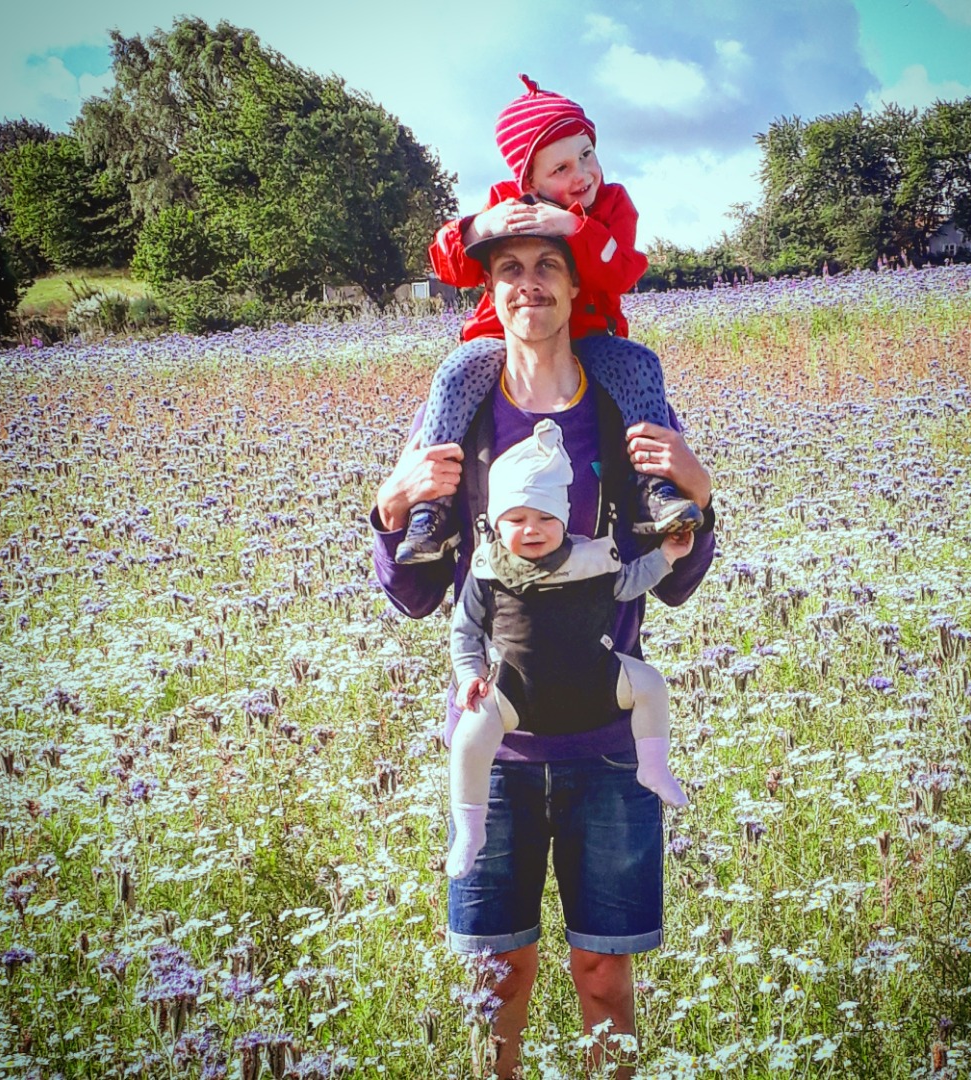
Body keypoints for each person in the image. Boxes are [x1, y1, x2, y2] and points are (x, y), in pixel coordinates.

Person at [372, 226, 714, 1078]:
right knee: (498, 977)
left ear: (575, 286)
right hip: (500, 749)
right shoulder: (462, 407)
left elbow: (674, 580)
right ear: (489, 293)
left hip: (608, 747)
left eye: (548, 267)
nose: (529, 284)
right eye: (510, 270)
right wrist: (390, 511)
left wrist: (701, 496)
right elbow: (415, 593)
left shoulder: (623, 400)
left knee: (604, 974)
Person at [395, 73, 702, 566]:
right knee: (454, 373)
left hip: (593, 338)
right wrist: (478, 227)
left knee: (640, 363)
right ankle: (431, 511)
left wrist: (575, 227)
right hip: (497, 341)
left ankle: (654, 489)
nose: (582, 175)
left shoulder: (611, 206)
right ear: (530, 182)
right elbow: (449, 263)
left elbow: (622, 269)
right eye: (560, 167)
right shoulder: (507, 204)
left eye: (587, 154)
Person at [447, 416, 692, 880]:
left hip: (596, 679)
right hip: (516, 691)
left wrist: (667, 556)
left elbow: (630, 583)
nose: (532, 529)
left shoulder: (590, 558)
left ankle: (653, 767)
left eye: (545, 518)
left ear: (563, 518)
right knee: (469, 737)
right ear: (496, 524)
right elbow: (465, 629)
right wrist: (469, 676)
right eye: (516, 519)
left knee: (651, 685)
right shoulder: (487, 570)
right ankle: (471, 829)